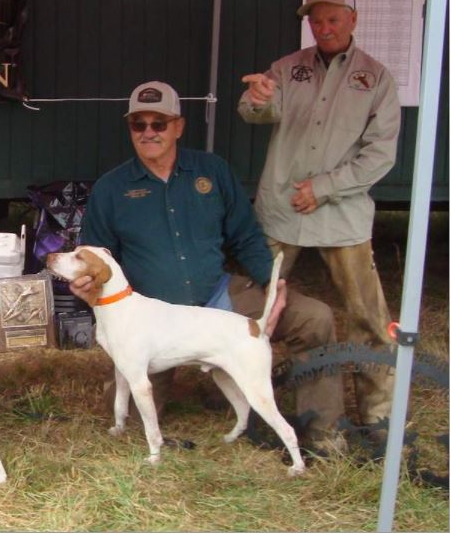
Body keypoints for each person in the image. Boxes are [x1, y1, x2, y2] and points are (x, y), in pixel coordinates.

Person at [70, 81, 346, 453]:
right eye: (139, 124)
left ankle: (323, 432)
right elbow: (94, 258)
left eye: (159, 123)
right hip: (156, 323)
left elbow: (246, 234)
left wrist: (271, 280)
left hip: (220, 297)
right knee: (131, 422)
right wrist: (86, 287)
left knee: (315, 317)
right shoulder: (110, 189)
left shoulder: (212, 171)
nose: (149, 132)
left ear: (178, 126)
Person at [238, 0, 400, 429]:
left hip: (342, 216)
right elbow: (257, 111)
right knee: (255, 308)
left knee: (368, 319)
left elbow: (380, 155)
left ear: (353, 18)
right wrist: (256, 98)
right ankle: (245, 404)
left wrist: (325, 187)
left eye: (332, 18)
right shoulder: (287, 68)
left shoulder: (377, 79)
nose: (323, 27)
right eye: (315, 20)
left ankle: (379, 415)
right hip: (281, 209)